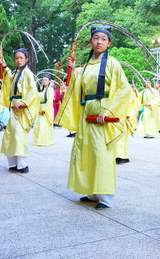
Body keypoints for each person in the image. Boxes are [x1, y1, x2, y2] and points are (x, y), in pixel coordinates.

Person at [55, 25, 131, 210]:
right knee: (86, 150)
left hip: (102, 109)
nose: (99, 42)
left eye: (103, 39)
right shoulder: (87, 65)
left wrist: (106, 111)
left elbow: (124, 89)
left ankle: (105, 197)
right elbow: (78, 88)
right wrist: (73, 73)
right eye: (96, 38)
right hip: (87, 111)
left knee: (101, 152)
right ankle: (91, 191)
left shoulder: (112, 62)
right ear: (90, 41)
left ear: (109, 43)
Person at [0, 48, 40, 173]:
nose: (18, 60)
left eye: (21, 58)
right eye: (16, 58)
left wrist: (22, 103)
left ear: (26, 59)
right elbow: (9, 81)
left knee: (19, 135)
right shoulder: (17, 73)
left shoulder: (27, 73)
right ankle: (13, 163)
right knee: (10, 135)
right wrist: (5, 67)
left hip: (21, 109)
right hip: (13, 108)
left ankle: (22, 164)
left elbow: (32, 91)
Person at [116, 82, 140, 164]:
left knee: (122, 137)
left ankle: (122, 156)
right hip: (117, 116)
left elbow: (131, 105)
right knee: (117, 137)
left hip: (124, 117)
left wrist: (126, 114)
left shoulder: (130, 94)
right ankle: (118, 155)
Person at [33, 73, 54, 147]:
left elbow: (50, 101)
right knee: (38, 125)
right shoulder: (43, 90)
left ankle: (45, 141)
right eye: (43, 80)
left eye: (46, 80)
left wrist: (45, 110)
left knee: (44, 125)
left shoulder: (50, 90)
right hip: (41, 108)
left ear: (49, 81)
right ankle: (39, 140)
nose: (44, 81)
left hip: (46, 108)